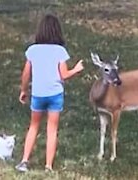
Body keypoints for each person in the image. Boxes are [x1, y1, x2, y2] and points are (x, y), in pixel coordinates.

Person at [15, 14, 84, 172]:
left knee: (33, 126)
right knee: (52, 130)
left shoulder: (32, 50)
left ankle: (24, 161)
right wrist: (76, 69)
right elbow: (64, 75)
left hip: (38, 94)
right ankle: (48, 166)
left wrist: (24, 90)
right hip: (55, 95)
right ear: (57, 31)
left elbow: (26, 74)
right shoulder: (60, 51)